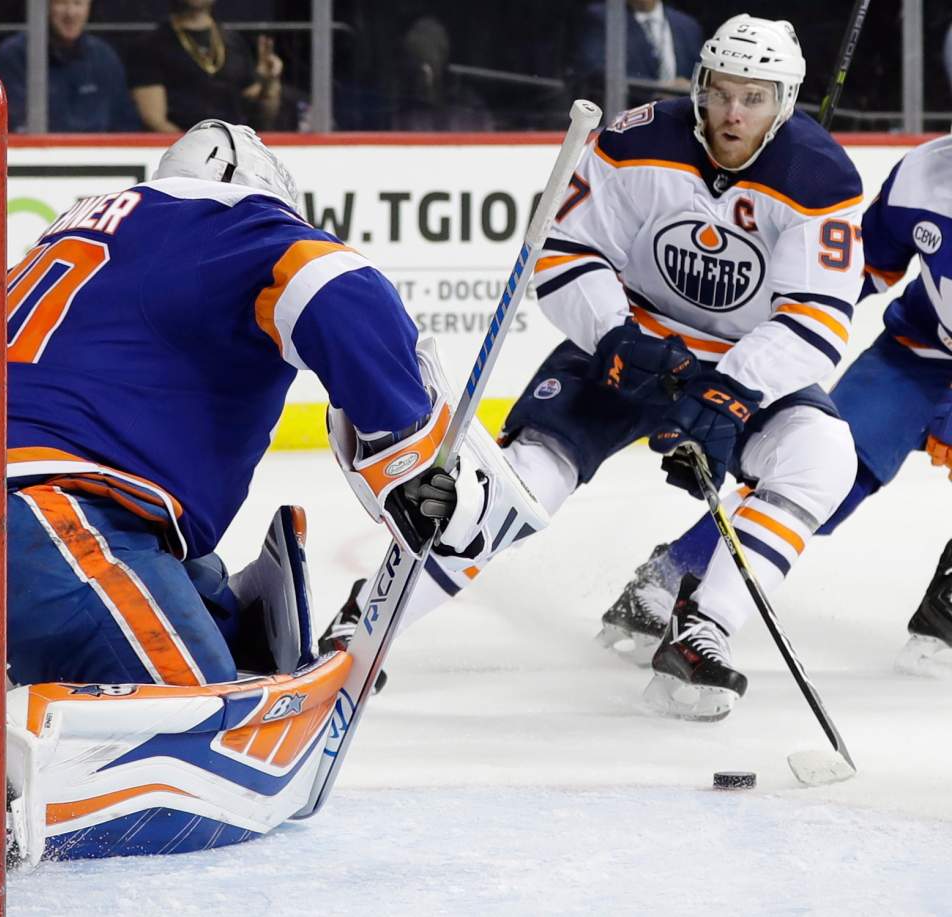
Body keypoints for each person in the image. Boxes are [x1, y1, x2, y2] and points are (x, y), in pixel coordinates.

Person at [0, 120, 508, 858]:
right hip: (37, 513)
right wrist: (404, 451)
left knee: (179, 580)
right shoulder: (232, 221)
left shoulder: (106, 227)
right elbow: (332, 280)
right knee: (207, 716)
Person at [326, 15, 865, 724]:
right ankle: (367, 623)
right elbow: (565, 249)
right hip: (624, 345)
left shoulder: (820, 177)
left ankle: (703, 626)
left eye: (756, 97)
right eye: (723, 92)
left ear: (785, 101)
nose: (735, 113)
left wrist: (733, 391)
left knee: (823, 456)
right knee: (527, 481)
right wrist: (613, 334)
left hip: (737, 364)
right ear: (699, 85)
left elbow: (818, 313)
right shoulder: (636, 139)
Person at [599, 133, 952, 677]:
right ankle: (673, 575)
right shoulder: (924, 172)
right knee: (828, 474)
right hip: (913, 357)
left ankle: (945, 615)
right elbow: (865, 267)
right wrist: (786, 294)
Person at [129, 0, 284, 132]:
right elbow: (154, 119)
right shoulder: (151, 45)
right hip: (182, 154)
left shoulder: (233, 41)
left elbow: (264, 114)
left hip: (232, 150)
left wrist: (269, 81)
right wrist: (195, 149)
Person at [0, 0, 140, 133]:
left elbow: (125, 123)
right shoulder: (14, 55)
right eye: (61, 2)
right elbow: (13, 125)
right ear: (46, 6)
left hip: (99, 159)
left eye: (78, 3)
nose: (70, 13)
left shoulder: (104, 57)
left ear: (89, 6)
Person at [576, 0, 703, 101]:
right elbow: (596, 70)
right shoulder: (604, 17)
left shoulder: (687, 26)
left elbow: (703, 77)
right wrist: (660, 89)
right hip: (628, 117)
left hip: (679, 120)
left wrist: (691, 88)